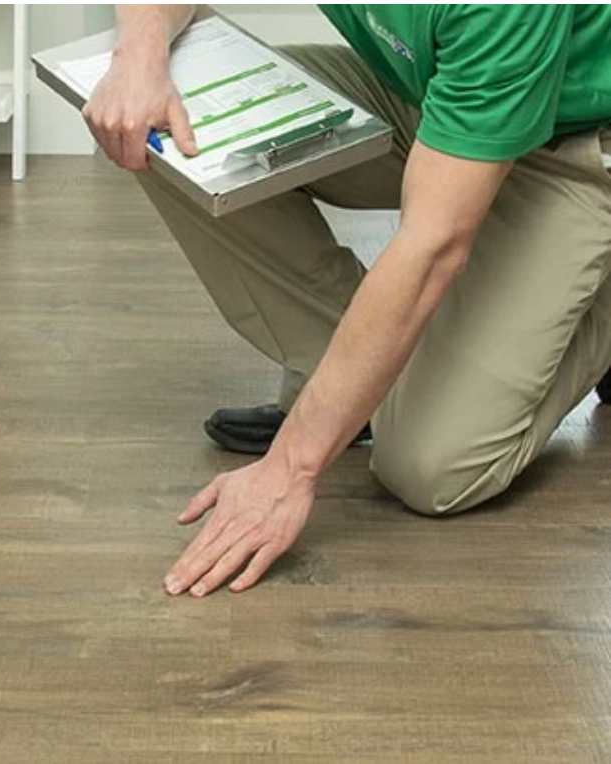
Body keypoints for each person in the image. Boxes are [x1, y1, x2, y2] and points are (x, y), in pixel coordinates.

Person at [82, 5, 611, 598]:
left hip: (573, 146)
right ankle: (356, 392)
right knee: (155, 117)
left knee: (431, 468)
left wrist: (291, 468)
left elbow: (433, 247)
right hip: (432, 94)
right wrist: (139, 57)